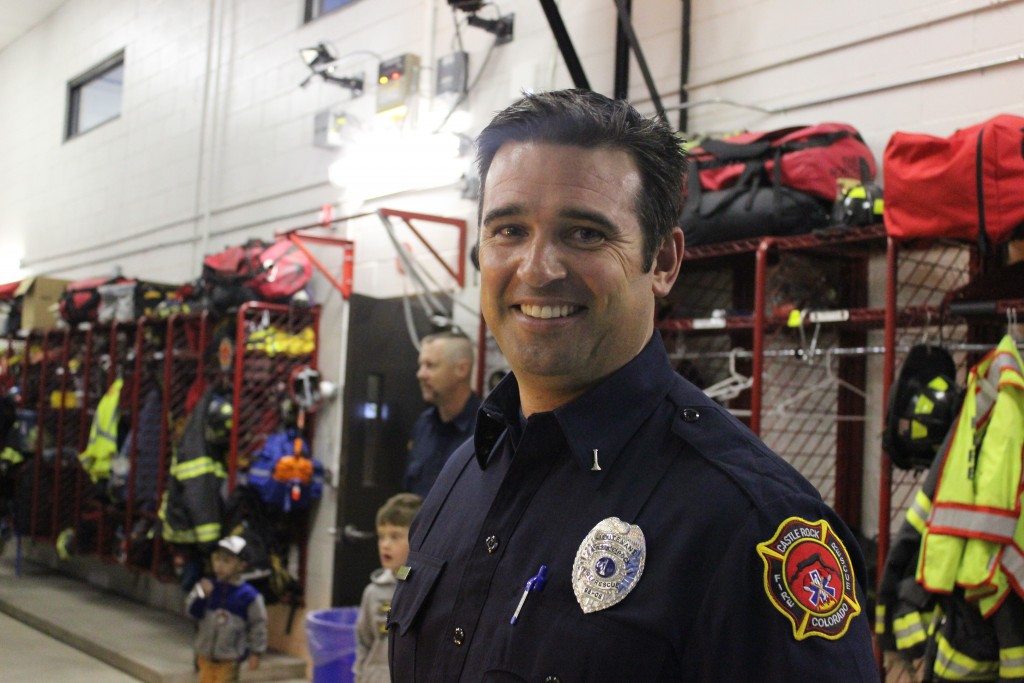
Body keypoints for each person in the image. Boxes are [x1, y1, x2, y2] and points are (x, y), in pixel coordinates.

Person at [389, 89, 878, 680]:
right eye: (509, 229)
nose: (537, 268)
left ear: (665, 261)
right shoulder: (463, 474)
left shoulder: (752, 527)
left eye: (586, 234)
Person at [403, 330, 480, 497]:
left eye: (430, 366)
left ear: (462, 369)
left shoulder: (488, 430)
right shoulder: (423, 425)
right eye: (421, 365)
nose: (420, 374)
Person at [354, 492, 422, 682]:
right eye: (381, 537)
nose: (385, 545)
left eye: (395, 536)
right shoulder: (372, 592)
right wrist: (359, 675)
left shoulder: (421, 589)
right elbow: (363, 641)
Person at [185, 535, 267, 682]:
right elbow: (191, 613)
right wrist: (202, 597)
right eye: (217, 559)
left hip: (229, 660)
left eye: (226, 561)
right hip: (204, 656)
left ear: (242, 565)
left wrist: (256, 652)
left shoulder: (249, 596)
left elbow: (258, 624)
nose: (219, 565)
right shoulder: (205, 586)